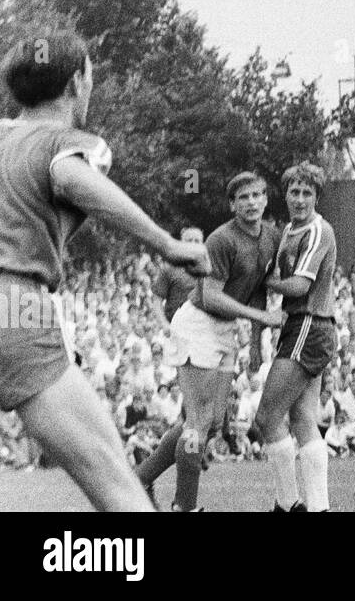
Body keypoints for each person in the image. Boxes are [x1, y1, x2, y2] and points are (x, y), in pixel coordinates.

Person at [0, 32, 210, 511]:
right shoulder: (65, 141)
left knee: (111, 455)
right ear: (76, 82)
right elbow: (71, 177)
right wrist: (167, 244)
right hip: (7, 304)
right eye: (91, 75)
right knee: (115, 482)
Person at [135, 171, 284, 511]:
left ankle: (140, 477)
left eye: (257, 195)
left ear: (265, 199)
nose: (251, 202)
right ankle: (184, 507)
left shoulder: (270, 236)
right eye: (243, 197)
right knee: (198, 422)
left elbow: (259, 289)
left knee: (213, 422)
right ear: (232, 205)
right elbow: (210, 296)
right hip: (198, 325)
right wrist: (260, 319)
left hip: (226, 330)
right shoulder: (221, 239)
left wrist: (256, 342)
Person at [253, 162, 339, 513]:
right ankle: (317, 509)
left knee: (267, 417)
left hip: (310, 323)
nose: (300, 199)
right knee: (304, 419)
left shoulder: (320, 230)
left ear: (317, 196)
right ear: (285, 194)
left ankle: (288, 505)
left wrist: (265, 281)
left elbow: (300, 286)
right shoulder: (288, 229)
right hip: (301, 326)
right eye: (294, 191)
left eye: (307, 193)